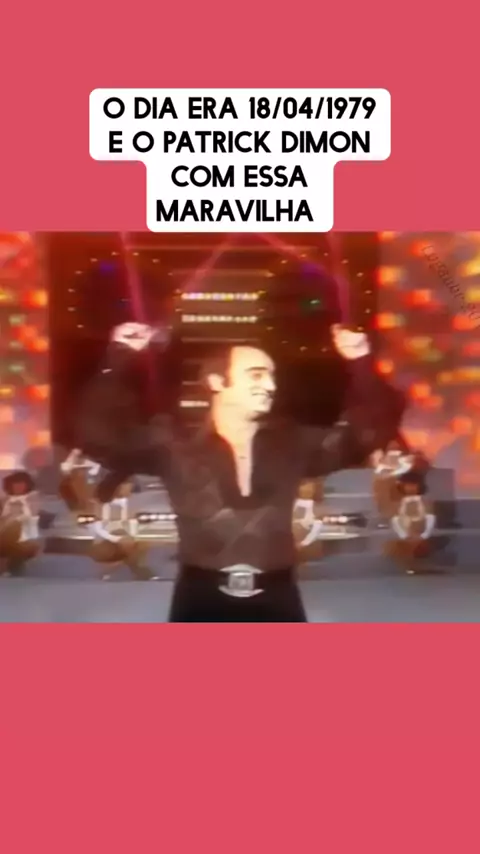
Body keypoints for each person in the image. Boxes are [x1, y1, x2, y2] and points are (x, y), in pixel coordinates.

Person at [76, 321, 406, 622]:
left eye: (272, 376)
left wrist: (361, 362)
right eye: (257, 375)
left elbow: (371, 431)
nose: (270, 385)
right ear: (217, 382)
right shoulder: (174, 444)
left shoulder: (293, 443)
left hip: (278, 596)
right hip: (200, 596)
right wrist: (120, 357)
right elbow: (97, 434)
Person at [390, 473, 436, 575]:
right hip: (405, 528)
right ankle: (408, 564)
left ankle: (421, 563)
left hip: (421, 527)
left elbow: (430, 517)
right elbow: (395, 519)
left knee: (420, 541)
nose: (411, 488)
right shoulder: (398, 502)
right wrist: (404, 534)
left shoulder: (425, 501)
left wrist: (424, 534)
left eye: (414, 485)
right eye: (408, 485)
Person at [0, 471, 41, 577]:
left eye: (22, 484)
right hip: (4, 534)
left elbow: (31, 515)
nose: (18, 487)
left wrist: (13, 519)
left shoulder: (33, 499)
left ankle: (13, 569)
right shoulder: (4, 501)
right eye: (15, 484)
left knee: (16, 527)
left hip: (27, 536)